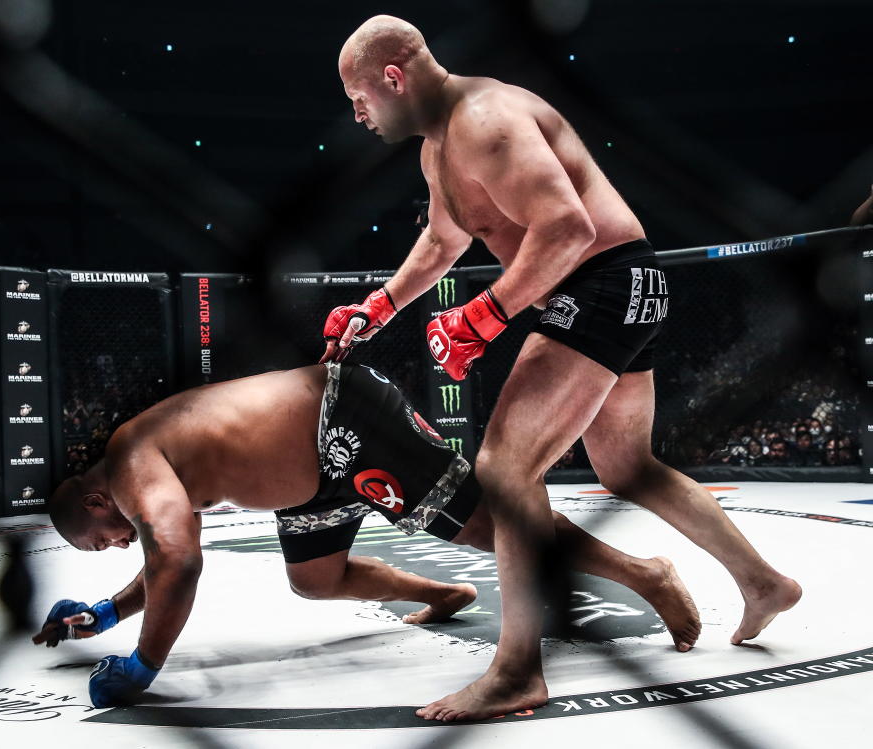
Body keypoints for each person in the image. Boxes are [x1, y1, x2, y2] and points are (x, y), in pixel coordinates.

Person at [323, 15, 801, 721]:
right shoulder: (439, 148)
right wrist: (381, 305)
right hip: (624, 285)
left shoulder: (485, 118)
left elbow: (567, 227)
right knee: (626, 468)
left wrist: (483, 316)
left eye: (358, 98)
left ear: (393, 78)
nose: (357, 114)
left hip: (600, 282)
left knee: (505, 469)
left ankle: (517, 670)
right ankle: (763, 580)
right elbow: (443, 238)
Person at [35, 363, 699, 708]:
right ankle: (442, 593)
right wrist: (105, 612)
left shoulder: (127, 465)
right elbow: (163, 555)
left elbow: (176, 561)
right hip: (311, 475)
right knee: (313, 577)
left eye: (100, 540)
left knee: (488, 526)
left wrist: (143, 666)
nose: (115, 547)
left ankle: (648, 574)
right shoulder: (141, 465)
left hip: (341, 421)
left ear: (97, 499)